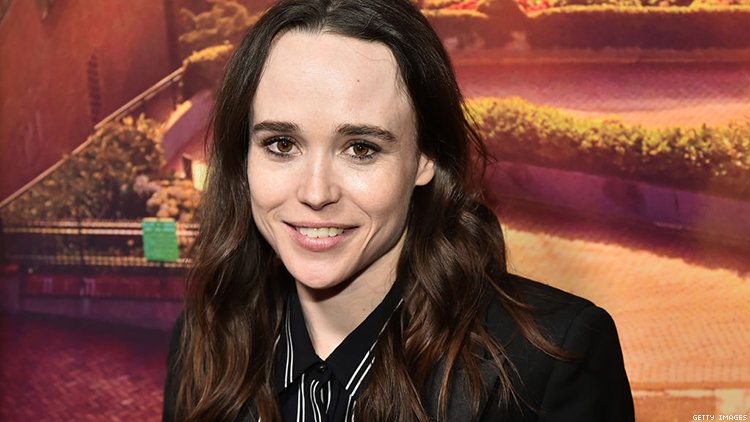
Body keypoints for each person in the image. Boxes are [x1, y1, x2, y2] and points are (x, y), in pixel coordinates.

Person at [163, 0, 635, 421]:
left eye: (361, 148)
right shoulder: (204, 340)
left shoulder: (552, 361)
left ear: (425, 156)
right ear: (243, 155)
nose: (316, 192)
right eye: (282, 144)